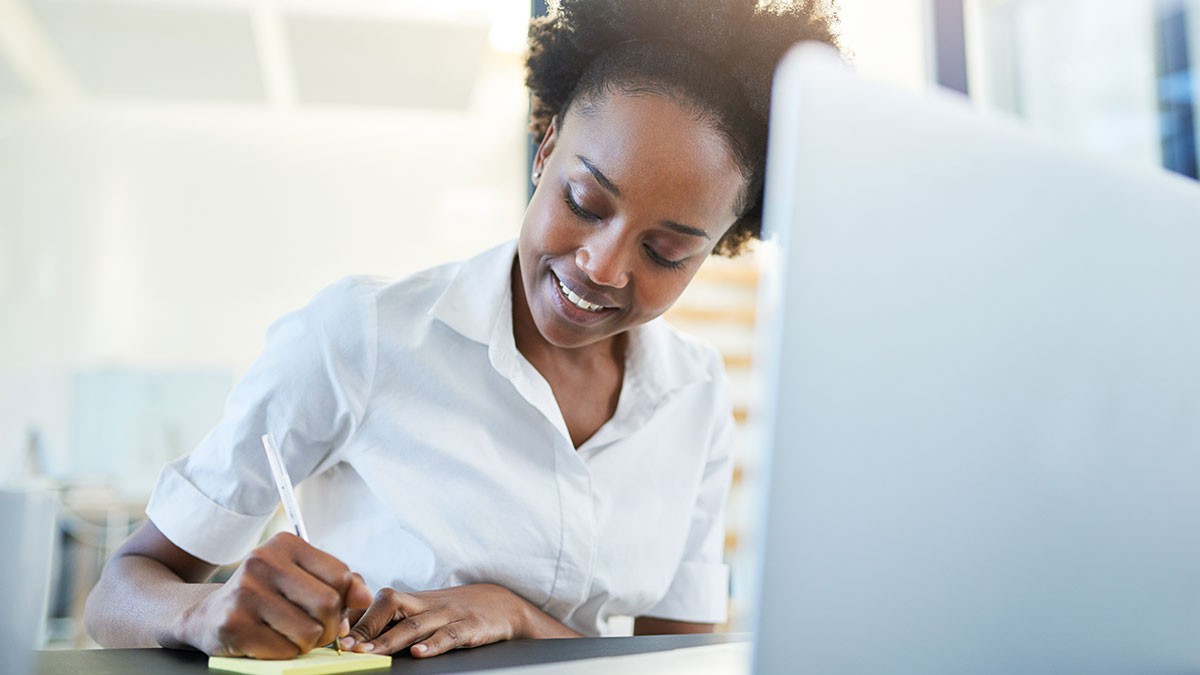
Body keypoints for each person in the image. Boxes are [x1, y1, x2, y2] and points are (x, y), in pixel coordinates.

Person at [83, 0, 840, 660]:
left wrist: (515, 615)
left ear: (715, 250)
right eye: (584, 201)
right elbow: (118, 592)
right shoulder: (363, 334)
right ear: (545, 150)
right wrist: (200, 610)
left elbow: (676, 662)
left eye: (666, 250)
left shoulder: (696, 396)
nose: (603, 266)